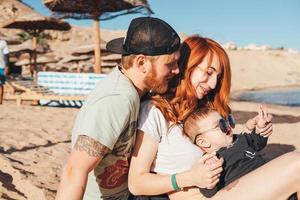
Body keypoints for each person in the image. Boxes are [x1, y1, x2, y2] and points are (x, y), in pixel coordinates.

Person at [128, 35, 300, 200]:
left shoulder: (208, 108)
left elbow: (230, 150)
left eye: (218, 77)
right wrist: (189, 178)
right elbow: (136, 183)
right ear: (187, 66)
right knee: (296, 162)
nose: (213, 84)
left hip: (237, 186)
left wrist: (251, 131)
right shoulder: (155, 111)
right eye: (209, 73)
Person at [56, 17, 182, 200]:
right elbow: (74, 170)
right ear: (141, 63)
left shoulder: (133, 90)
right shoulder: (118, 100)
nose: (177, 70)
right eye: (170, 64)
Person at [0, 38, 9, 105]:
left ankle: (0, 100)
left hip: (1, 66)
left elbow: (6, 55)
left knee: (0, 84)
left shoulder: (3, 43)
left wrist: (7, 66)